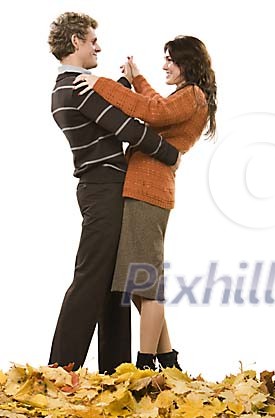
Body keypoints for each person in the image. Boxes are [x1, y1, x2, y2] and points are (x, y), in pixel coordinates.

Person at [47, 12, 183, 374]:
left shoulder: (66, 88)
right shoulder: (78, 88)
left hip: (101, 188)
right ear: (76, 42)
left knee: (114, 283)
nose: (99, 47)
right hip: (104, 190)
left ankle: (116, 371)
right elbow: (126, 126)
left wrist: (123, 79)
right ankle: (60, 370)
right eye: (93, 41)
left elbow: (111, 103)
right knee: (92, 278)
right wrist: (171, 154)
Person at [74, 35, 217, 370]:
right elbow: (157, 104)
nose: (165, 65)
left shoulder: (193, 95)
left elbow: (153, 112)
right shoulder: (187, 96)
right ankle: (167, 360)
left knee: (145, 284)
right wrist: (136, 77)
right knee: (140, 285)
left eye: (170, 59)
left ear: (188, 62)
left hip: (148, 190)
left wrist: (101, 84)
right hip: (145, 188)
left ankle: (144, 364)